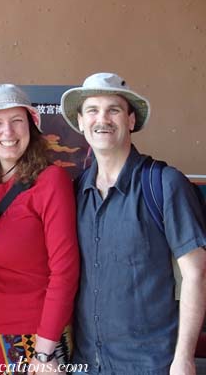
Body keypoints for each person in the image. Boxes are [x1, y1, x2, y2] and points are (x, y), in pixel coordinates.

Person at [60, 72, 206, 375]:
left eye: (113, 109)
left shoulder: (165, 185)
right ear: (81, 121)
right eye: (92, 110)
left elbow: (196, 274)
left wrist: (184, 358)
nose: (103, 119)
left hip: (151, 365)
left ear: (130, 120)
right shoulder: (74, 192)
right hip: (85, 364)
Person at [0, 84, 80, 374]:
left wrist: (46, 351)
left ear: (31, 127)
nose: (7, 133)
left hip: (32, 339)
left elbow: (65, 270)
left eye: (16, 122)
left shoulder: (51, 181)